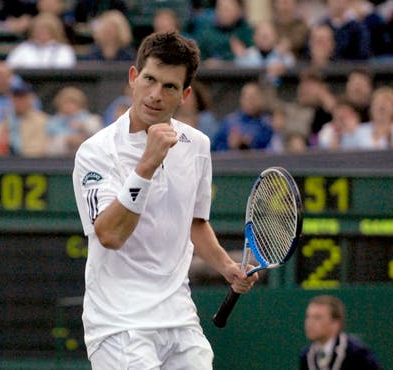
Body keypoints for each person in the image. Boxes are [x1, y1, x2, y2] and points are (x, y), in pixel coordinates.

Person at [71, 32, 258, 369]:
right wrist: (146, 165)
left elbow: (195, 223)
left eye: (170, 87)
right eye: (149, 80)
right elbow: (110, 235)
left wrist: (226, 266)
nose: (156, 95)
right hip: (119, 325)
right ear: (133, 78)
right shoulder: (96, 152)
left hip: (179, 320)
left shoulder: (197, 145)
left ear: (185, 95)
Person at [300, 294, 382, 370]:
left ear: (336, 324)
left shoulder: (356, 354)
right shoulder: (307, 355)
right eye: (308, 317)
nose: (309, 323)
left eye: (317, 317)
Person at [0, 82, 49, 157]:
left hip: (33, 165)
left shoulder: (43, 120)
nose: (20, 101)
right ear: (11, 99)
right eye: (16, 97)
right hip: (6, 164)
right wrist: (2, 147)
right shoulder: (3, 121)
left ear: (31, 99)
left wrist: (15, 150)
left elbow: (42, 148)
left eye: (24, 97)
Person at [211, 81, 274, 151]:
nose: (251, 102)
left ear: (261, 99)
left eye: (254, 98)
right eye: (248, 98)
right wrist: (229, 145)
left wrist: (248, 144)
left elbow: (273, 148)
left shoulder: (268, 124)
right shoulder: (228, 122)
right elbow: (215, 149)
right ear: (241, 100)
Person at [191, 0, 254, 66]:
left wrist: (243, 57)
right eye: (219, 8)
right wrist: (205, 63)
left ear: (239, 10)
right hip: (211, 74)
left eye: (227, 9)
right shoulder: (205, 32)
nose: (222, 13)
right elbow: (196, 58)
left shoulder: (247, 32)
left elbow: (256, 60)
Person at [5, 12, 76, 69]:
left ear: (54, 32)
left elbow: (67, 70)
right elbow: (10, 68)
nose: (42, 33)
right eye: (39, 30)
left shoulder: (64, 50)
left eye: (46, 30)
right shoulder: (23, 48)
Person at [46, 86, 102, 156]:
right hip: (60, 162)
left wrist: (83, 127)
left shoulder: (91, 119)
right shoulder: (52, 123)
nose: (69, 106)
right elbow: (48, 149)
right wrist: (67, 141)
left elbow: (99, 138)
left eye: (72, 102)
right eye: (65, 103)